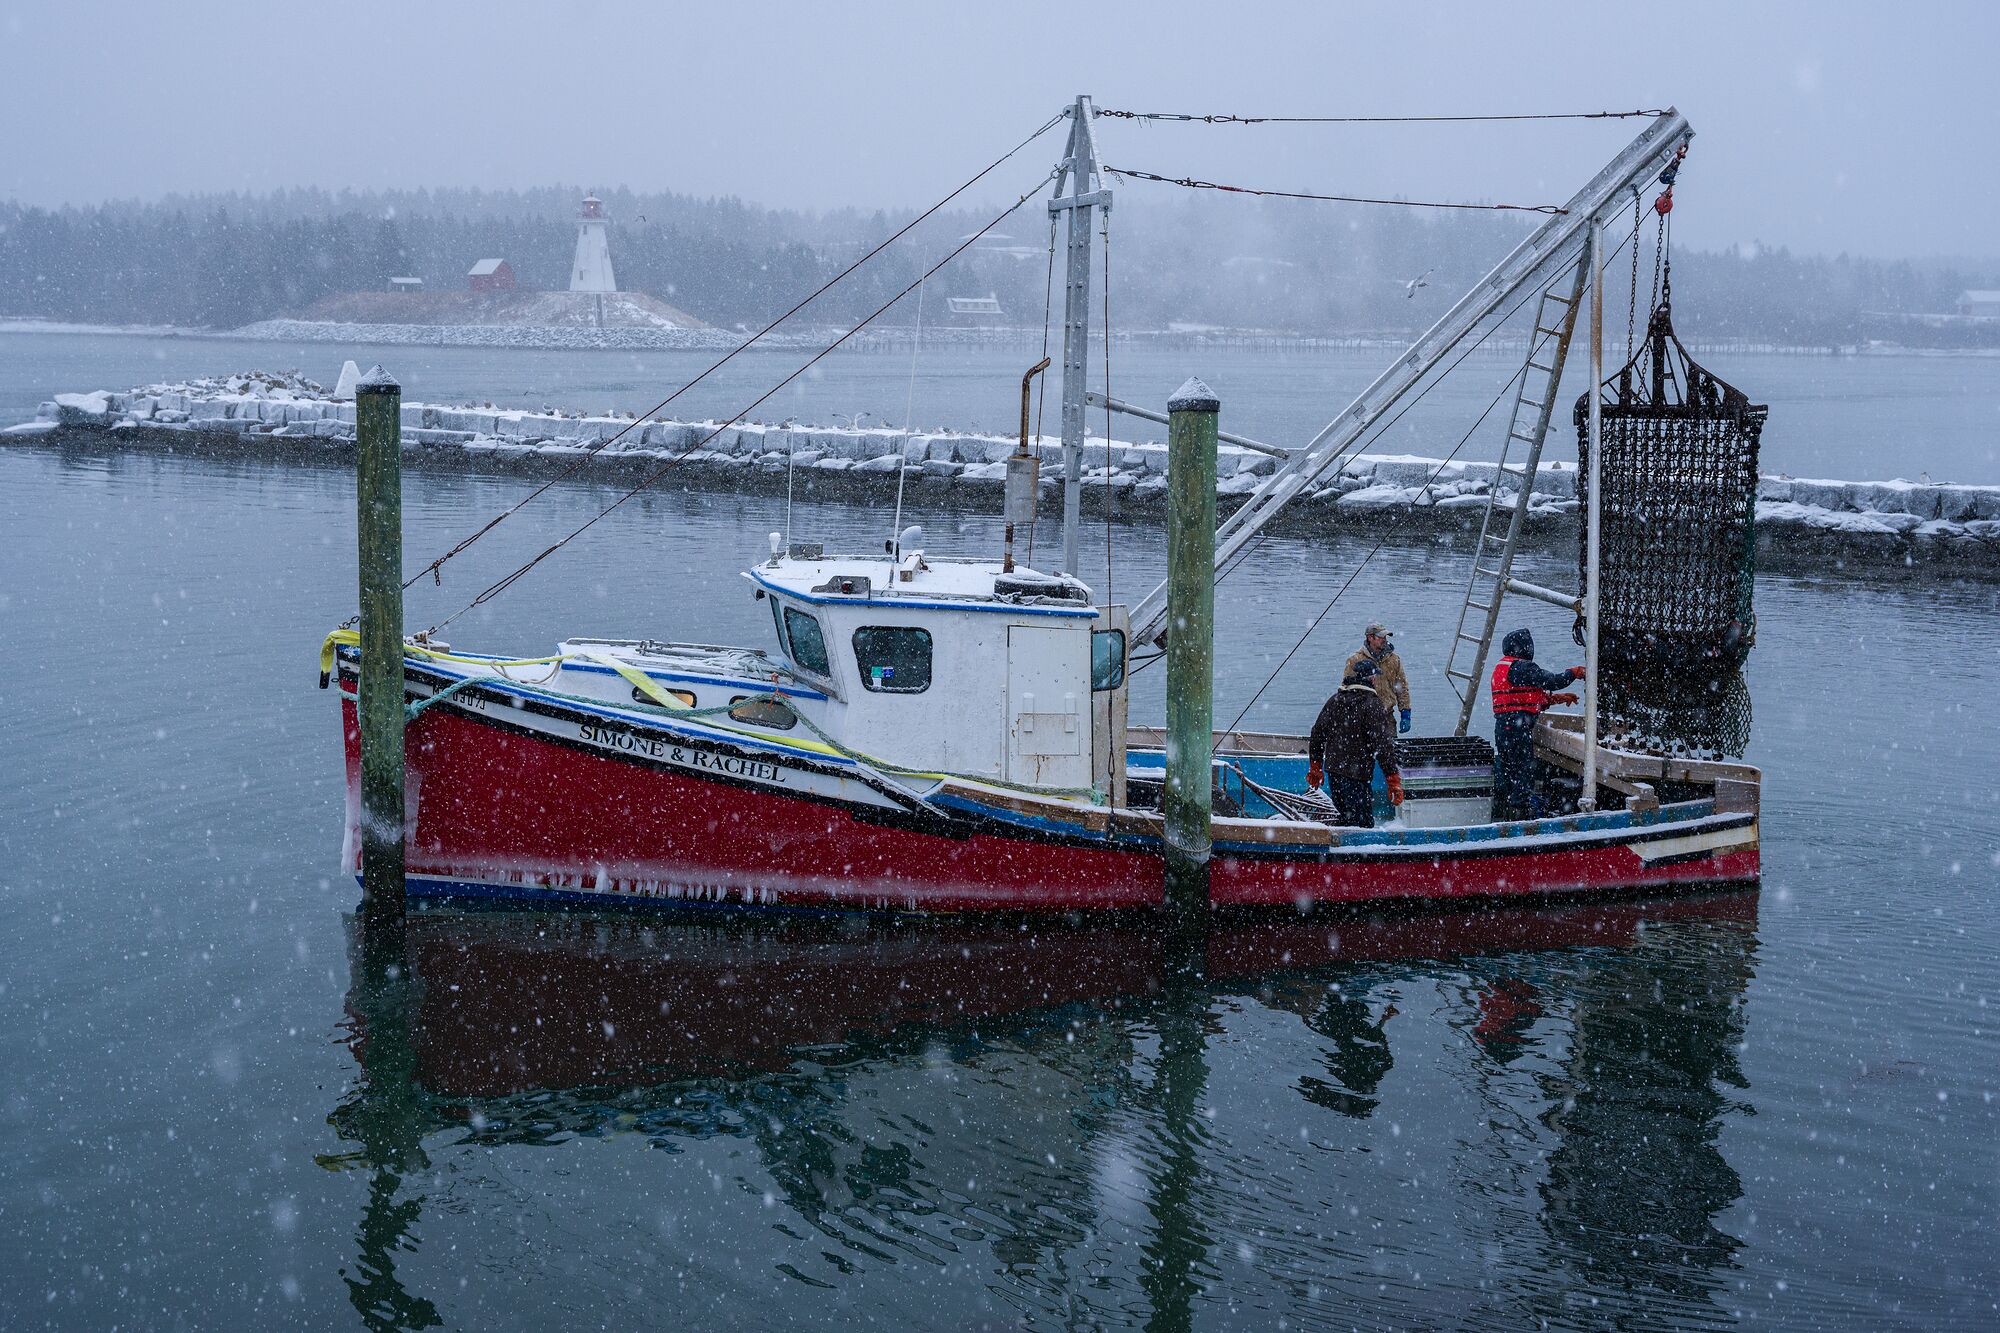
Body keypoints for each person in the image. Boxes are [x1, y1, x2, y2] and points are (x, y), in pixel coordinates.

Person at [1488, 628, 1583, 822]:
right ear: (1526, 648)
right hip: (1517, 729)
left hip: (1503, 728)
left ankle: (1506, 819)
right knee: (1523, 776)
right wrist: (1574, 672)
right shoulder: (1522, 668)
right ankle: (1520, 823)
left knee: (1510, 777)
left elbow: (1524, 698)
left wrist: (1558, 699)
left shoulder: (1503, 667)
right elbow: (1553, 680)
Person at [1308, 658, 1405, 827]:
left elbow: (1317, 733)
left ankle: (1340, 850)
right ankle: (1358, 852)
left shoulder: (1335, 699)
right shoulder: (1372, 704)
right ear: (1372, 679)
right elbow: (1382, 745)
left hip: (1335, 772)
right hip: (1357, 776)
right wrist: (1392, 778)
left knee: (1346, 819)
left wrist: (1316, 766)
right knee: (1363, 824)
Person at [1344, 623, 1412, 734]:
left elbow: (1402, 689)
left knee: (1390, 750)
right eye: (1381, 637)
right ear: (1370, 638)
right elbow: (1346, 689)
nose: (1384, 640)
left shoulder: (1394, 660)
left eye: (1385, 637)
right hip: (1361, 720)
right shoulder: (1354, 660)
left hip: (1387, 718)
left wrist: (1405, 714)